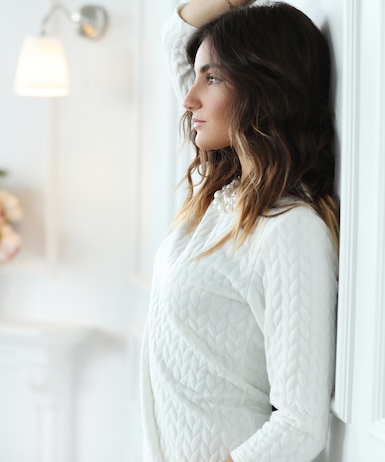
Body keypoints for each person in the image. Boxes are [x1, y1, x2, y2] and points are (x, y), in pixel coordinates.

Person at [139, 1, 339, 461]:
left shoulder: (290, 231)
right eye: (196, 77)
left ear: (263, 90)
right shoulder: (222, 192)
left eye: (211, 78)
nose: (189, 99)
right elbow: (176, 36)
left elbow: (299, 427)